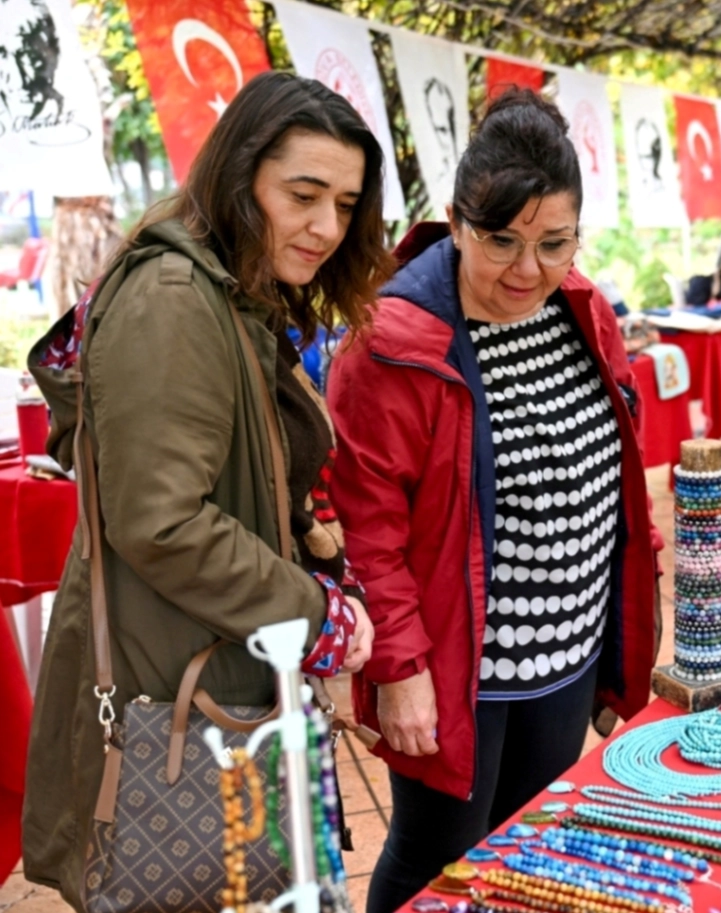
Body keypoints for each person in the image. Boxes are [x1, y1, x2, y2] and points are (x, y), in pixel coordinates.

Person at [21, 71, 390, 908]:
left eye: (344, 202)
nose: (327, 227)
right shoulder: (174, 297)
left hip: (217, 662)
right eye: (302, 194)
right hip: (178, 687)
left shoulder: (230, 292)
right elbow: (161, 520)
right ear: (239, 176)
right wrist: (316, 614)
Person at [326, 89, 663, 913]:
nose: (527, 270)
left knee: (526, 843)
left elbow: (617, 471)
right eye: (501, 241)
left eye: (555, 243)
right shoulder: (393, 342)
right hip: (456, 668)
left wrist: (621, 637)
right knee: (436, 854)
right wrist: (399, 670)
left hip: (567, 651)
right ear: (456, 219)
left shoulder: (581, 307)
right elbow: (370, 531)